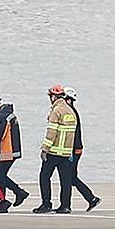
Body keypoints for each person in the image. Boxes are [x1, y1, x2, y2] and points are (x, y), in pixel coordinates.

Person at [33, 85, 77, 214]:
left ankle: (46, 204)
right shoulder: (70, 111)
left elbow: (51, 133)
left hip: (53, 152)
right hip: (66, 152)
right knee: (65, 180)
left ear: (53, 97)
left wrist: (44, 149)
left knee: (44, 177)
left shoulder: (56, 111)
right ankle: (66, 205)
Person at [0, 92, 29, 207]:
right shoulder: (6, 114)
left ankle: (3, 200)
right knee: (1, 174)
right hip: (10, 149)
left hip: (7, 150)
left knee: (0, 175)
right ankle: (18, 192)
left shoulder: (2, 116)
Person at [63, 87, 101, 212]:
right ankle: (90, 198)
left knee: (69, 178)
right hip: (75, 149)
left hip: (73, 150)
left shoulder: (70, 113)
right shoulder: (72, 111)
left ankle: (89, 198)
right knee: (72, 177)